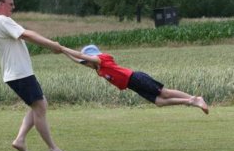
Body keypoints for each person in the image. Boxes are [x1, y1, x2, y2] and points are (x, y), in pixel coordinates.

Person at [0, 0, 65, 151]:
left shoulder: (0, 21)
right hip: (19, 74)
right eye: (11, 3)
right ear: (1, 4)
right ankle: (53, 148)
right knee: (40, 108)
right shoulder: (2, 20)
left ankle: (20, 140)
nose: (13, 6)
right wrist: (51, 44)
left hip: (19, 73)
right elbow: (26, 34)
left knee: (40, 105)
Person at [60, 44, 209, 114]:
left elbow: (80, 56)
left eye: (87, 60)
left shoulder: (102, 60)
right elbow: (78, 60)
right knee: (159, 102)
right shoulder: (97, 69)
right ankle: (191, 101)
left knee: (165, 94)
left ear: (92, 57)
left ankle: (195, 99)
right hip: (133, 85)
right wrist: (63, 53)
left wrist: (62, 48)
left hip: (135, 78)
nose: (85, 63)